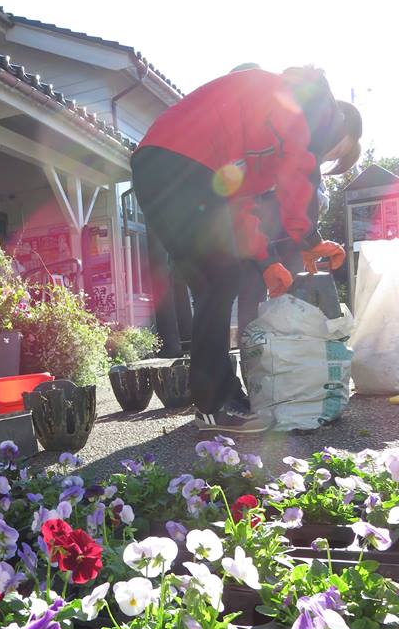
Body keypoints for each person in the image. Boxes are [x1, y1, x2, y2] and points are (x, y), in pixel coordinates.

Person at [131, 66, 362, 434]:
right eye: (337, 151)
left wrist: (266, 261)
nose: (325, 157)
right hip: (180, 164)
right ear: (337, 125)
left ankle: (219, 397)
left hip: (158, 167)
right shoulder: (308, 108)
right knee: (219, 277)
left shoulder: (262, 132)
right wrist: (309, 238)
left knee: (212, 279)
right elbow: (300, 173)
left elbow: (238, 205)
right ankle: (213, 402)